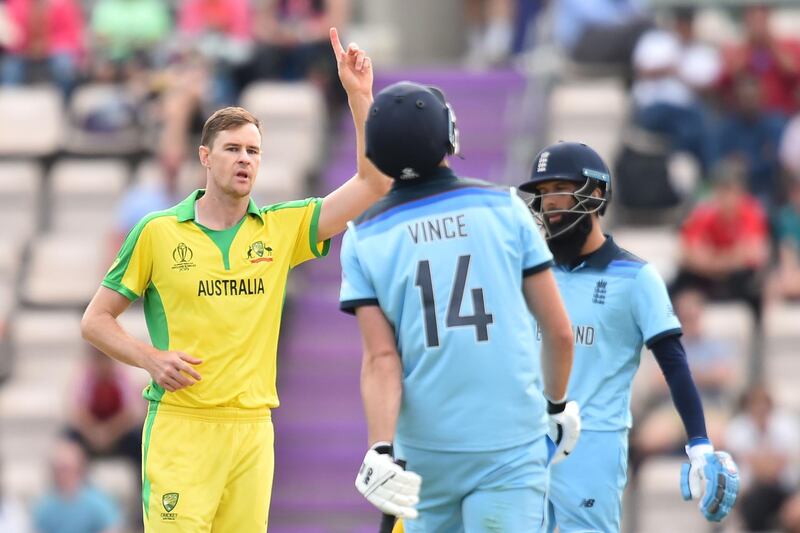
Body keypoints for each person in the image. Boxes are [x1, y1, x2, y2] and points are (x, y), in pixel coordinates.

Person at [80, 28, 391, 532]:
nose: (245, 159)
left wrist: (360, 96)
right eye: (232, 149)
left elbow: (374, 183)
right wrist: (150, 358)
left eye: (253, 151)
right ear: (205, 156)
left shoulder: (281, 228)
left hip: (251, 432)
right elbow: (95, 321)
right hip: (183, 428)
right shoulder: (157, 233)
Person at [339, 82, 577, 531]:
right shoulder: (508, 208)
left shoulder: (362, 237)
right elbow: (560, 333)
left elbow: (381, 358)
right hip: (510, 442)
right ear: (448, 133)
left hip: (425, 451)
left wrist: (380, 449)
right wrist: (557, 406)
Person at [518, 141, 739, 531]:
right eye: (542, 193)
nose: (549, 203)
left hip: (593, 448)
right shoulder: (532, 272)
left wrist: (699, 444)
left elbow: (674, 364)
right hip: (525, 442)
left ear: (595, 193)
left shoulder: (636, 277)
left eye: (559, 190)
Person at [725, 385, 800, 531]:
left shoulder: (787, 426)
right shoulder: (737, 429)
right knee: (755, 503)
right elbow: (763, 468)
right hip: (749, 493)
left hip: (785, 491)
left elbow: (776, 467)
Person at [32, 439, 122, 533]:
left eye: (67, 469)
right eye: (59, 469)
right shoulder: (45, 506)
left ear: (80, 468)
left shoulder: (98, 503)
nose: (63, 475)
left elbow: (111, 528)